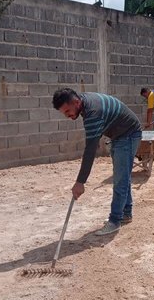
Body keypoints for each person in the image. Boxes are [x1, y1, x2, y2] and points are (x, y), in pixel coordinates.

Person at [52, 88, 142, 235]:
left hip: (128, 134)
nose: (68, 116)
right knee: (122, 176)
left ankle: (115, 221)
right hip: (119, 135)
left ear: (76, 102)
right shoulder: (84, 102)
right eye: (64, 113)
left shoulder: (93, 113)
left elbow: (90, 150)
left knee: (120, 179)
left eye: (68, 111)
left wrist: (80, 182)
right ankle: (126, 213)